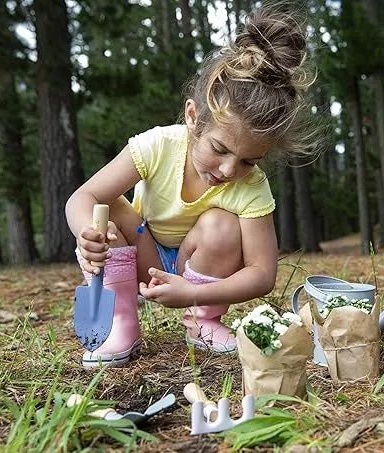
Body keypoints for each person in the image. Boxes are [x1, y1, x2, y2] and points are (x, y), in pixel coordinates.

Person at [65, 6, 316, 368]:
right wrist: (87, 233)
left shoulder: (252, 187)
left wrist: (194, 293)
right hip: (142, 254)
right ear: (193, 117)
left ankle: (203, 322)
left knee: (222, 224)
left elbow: (262, 275)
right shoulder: (157, 146)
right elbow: (81, 197)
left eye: (249, 160)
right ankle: (121, 323)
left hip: (199, 265)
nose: (230, 169)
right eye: (219, 148)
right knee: (107, 210)